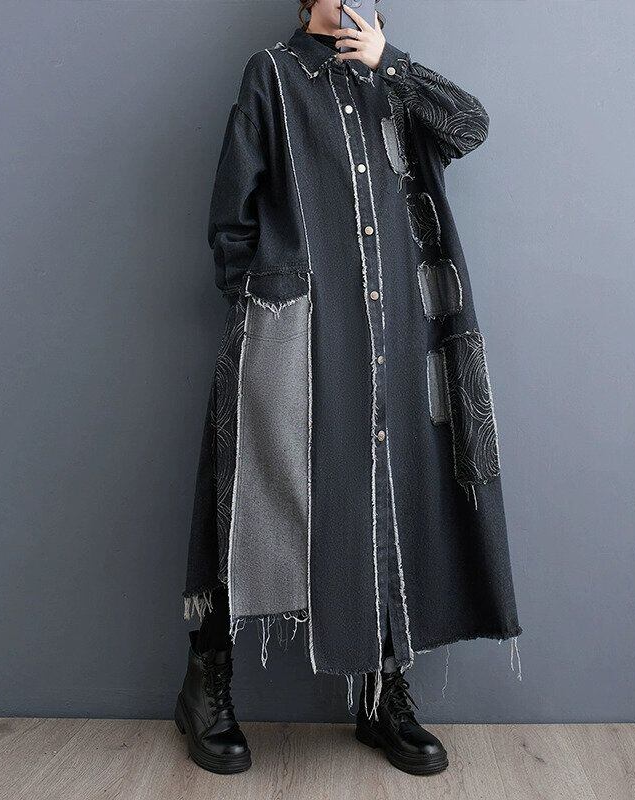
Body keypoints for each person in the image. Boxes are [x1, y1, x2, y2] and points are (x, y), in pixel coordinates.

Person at [175, 0, 522, 776]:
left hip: (399, 335)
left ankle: (382, 695)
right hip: (296, 326)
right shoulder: (272, 75)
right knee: (256, 495)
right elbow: (231, 215)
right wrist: (268, 307)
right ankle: (206, 682)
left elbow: (470, 127)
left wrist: (389, 63)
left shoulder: (394, 79)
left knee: (390, 497)